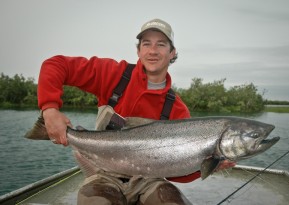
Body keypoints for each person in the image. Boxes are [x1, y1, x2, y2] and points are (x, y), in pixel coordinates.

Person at [38, 18, 235, 205]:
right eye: (147, 43)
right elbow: (55, 64)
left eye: (161, 44)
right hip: (103, 173)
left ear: (173, 53)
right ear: (138, 50)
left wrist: (208, 165)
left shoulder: (177, 109)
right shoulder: (113, 74)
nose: (153, 50)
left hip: (150, 180)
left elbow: (178, 172)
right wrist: (49, 109)